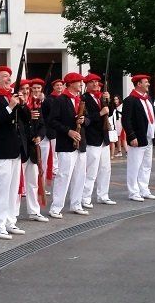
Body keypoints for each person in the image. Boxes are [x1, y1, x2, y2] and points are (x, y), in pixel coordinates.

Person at [0, 66, 30, 238]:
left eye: (9, 76)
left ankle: (10, 221)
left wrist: (22, 104)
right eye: (4, 76)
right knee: (0, 190)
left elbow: (26, 119)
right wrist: (10, 107)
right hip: (0, 150)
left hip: (14, 149)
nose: (8, 79)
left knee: (12, 190)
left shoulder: (11, 96)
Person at [47, 72, 90, 217]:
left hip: (81, 142)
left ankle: (76, 204)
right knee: (64, 175)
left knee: (80, 175)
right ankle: (56, 207)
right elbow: (52, 121)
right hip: (66, 143)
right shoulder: (60, 100)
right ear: (71, 83)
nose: (81, 84)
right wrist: (68, 131)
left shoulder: (81, 99)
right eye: (79, 82)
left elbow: (88, 119)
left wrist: (84, 120)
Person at [122, 74, 155, 202]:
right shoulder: (130, 100)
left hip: (148, 137)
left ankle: (144, 189)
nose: (148, 84)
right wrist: (131, 136)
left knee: (146, 165)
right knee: (134, 166)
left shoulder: (148, 99)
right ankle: (133, 192)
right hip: (137, 138)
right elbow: (126, 120)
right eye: (146, 82)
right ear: (139, 84)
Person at [17, 79, 49, 222]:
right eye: (22, 89)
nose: (25, 91)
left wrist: (39, 136)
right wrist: (27, 116)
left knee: (33, 182)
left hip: (32, 148)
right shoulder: (16, 104)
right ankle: (13, 215)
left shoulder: (36, 103)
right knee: (17, 185)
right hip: (20, 148)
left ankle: (34, 211)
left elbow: (42, 124)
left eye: (27, 89)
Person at [81, 74, 115, 206]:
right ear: (87, 84)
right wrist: (100, 113)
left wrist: (109, 101)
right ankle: (85, 198)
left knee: (105, 168)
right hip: (92, 138)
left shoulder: (101, 97)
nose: (95, 84)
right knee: (91, 170)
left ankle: (103, 195)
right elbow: (86, 118)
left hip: (103, 138)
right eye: (92, 82)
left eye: (97, 82)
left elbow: (110, 112)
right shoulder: (84, 98)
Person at [108, 94, 123, 158]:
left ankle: (119, 152)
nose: (115, 101)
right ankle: (119, 151)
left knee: (119, 138)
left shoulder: (121, 106)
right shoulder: (113, 107)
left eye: (117, 99)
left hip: (119, 123)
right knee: (115, 138)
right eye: (114, 99)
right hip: (114, 124)